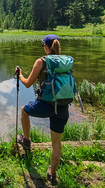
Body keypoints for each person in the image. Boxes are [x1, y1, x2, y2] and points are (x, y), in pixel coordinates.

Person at [15, 34, 70, 184]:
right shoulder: (65, 62)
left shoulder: (41, 62)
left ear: (46, 47)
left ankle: (26, 141)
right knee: (56, 143)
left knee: (24, 110)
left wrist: (20, 75)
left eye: (43, 46)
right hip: (63, 107)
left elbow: (27, 83)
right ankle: (52, 174)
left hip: (46, 105)